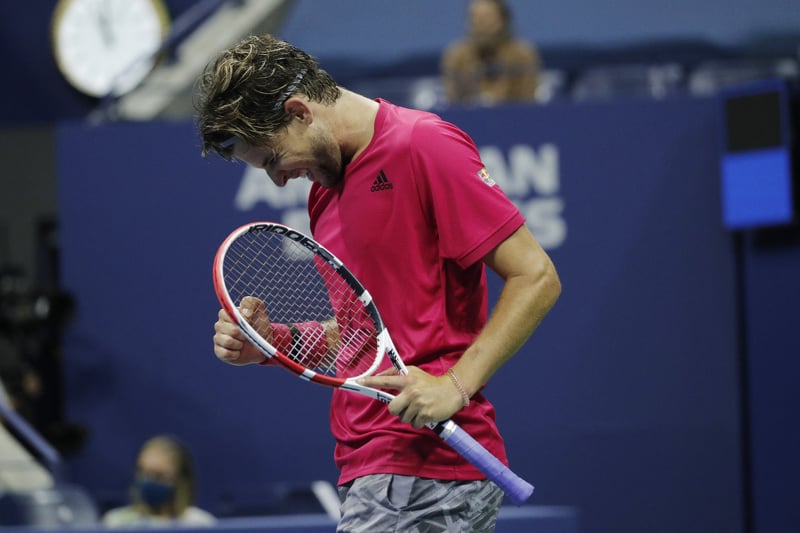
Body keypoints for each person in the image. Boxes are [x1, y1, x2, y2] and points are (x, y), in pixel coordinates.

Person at [197, 34, 560, 531]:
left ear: (300, 111)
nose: (278, 180)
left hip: (424, 468)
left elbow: (536, 276)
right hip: (371, 471)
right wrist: (272, 342)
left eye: (272, 160)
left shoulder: (423, 145)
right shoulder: (323, 196)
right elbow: (363, 337)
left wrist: (455, 383)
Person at [441, 0, 541, 106]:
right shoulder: (457, 56)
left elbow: (528, 101)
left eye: (487, 17)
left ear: (503, 20)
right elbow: (452, 103)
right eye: (474, 18)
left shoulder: (522, 54)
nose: (479, 23)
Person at [102, 435, 215, 528]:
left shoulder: (200, 524)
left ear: (179, 479)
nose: (148, 481)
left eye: (159, 475)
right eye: (143, 472)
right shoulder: (116, 523)